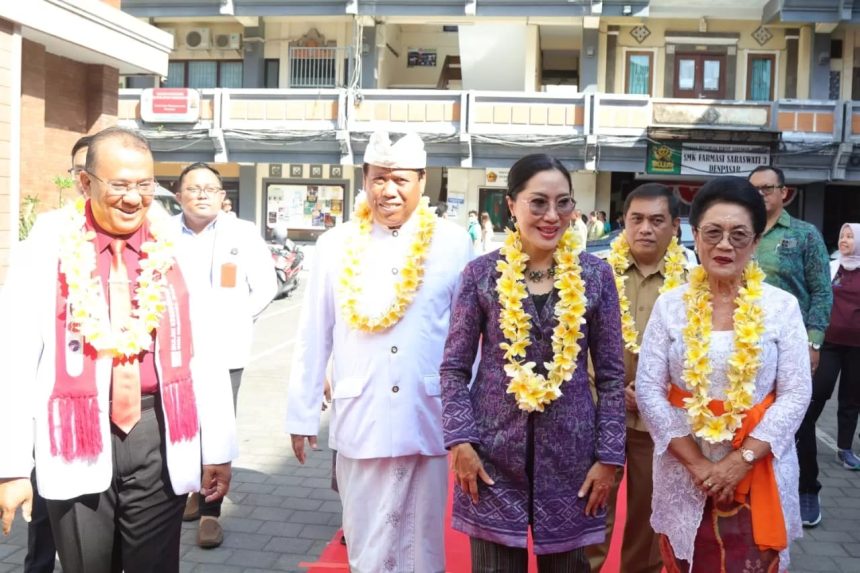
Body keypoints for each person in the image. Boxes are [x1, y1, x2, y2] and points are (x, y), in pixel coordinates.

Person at [0, 126, 237, 572]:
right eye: (120, 185)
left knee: (155, 564)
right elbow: (12, 358)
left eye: (144, 185)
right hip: (74, 433)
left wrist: (218, 449)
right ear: (86, 183)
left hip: (157, 430)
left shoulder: (173, 248)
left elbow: (205, 352)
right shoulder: (45, 249)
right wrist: (11, 467)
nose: (134, 199)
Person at [286, 131, 472, 572]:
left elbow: (468, 338)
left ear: (423, 182)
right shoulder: (336, 243)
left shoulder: (452, 242)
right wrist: (302, 412)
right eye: (379, 178)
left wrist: (471, 421)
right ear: (364, 179)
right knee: (367, 542)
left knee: (423, 545)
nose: (388, 190)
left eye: (401, 179)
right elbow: (314, 332)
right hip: (361, 411)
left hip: (426, 412)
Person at [440, 153, 626, 571]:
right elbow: (453, 368)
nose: (552, 215)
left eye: (564, 203)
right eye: (538, 202)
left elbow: (613, 377)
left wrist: (609, 458)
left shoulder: (595, 276)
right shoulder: (480, 275)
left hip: (573, 463)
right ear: (511, 205)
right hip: (490, 458)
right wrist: (461, 442)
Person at [636, 176, 811, 572]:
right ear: (695, 236)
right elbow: (649, 389)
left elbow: (797, 392)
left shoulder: (781, 307)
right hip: (684, 470)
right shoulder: (670, 306)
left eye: (739, 234)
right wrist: (698, 465)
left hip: (759, 467)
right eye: (713, 232)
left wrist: (741, 459)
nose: (724, 244)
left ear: (756, 239)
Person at [173, 162, 277, 548]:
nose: (202, 194)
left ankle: (210, 514)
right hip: (174, 349)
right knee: (181, 423)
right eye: (193, 188)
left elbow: (265, 286)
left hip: (223, 349)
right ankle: (190, 490)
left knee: (216, 425)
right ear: (179, 194)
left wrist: (236, 319)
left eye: (210, 189)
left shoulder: (243, 233)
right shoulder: (162, 233)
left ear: (222, 196)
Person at [587, 183, 688, 573]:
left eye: (657, 220)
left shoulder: (692, 280)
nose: (646, 228)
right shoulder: (593, 272)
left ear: (674, 226)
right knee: (592, 510)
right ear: (624, 223)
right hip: (598, 413)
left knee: (648, 520)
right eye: (637, 219)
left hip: (658, 422)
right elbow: (570, 341)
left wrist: (653, 390)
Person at [22, 136, 93, 573]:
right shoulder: (50, 230)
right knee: (48, 505)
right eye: (80, 171)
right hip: (54, 398)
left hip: (108, 408)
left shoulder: (144, 235)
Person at [747, 165, 832, 526]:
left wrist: (813, 343)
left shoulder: (804, 235)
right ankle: (752, 483)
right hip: (746, 342)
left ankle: (807, 490)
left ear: (785, 192)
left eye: (768, 188)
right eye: (754, 189)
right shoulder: (743, 230)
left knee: (799, 418)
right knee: (751, 414)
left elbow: (822, 291)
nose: (761, 194)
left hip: (791, 341)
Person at [795, 223, 860, 525]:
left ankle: (845, 448)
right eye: (842, 236)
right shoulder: (832, 267)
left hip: (857, 346)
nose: (845, 241)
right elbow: (817, 297)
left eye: (850, 237)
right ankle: (800, 443)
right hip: (828, 345)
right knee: (815, 397)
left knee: (851, 398)